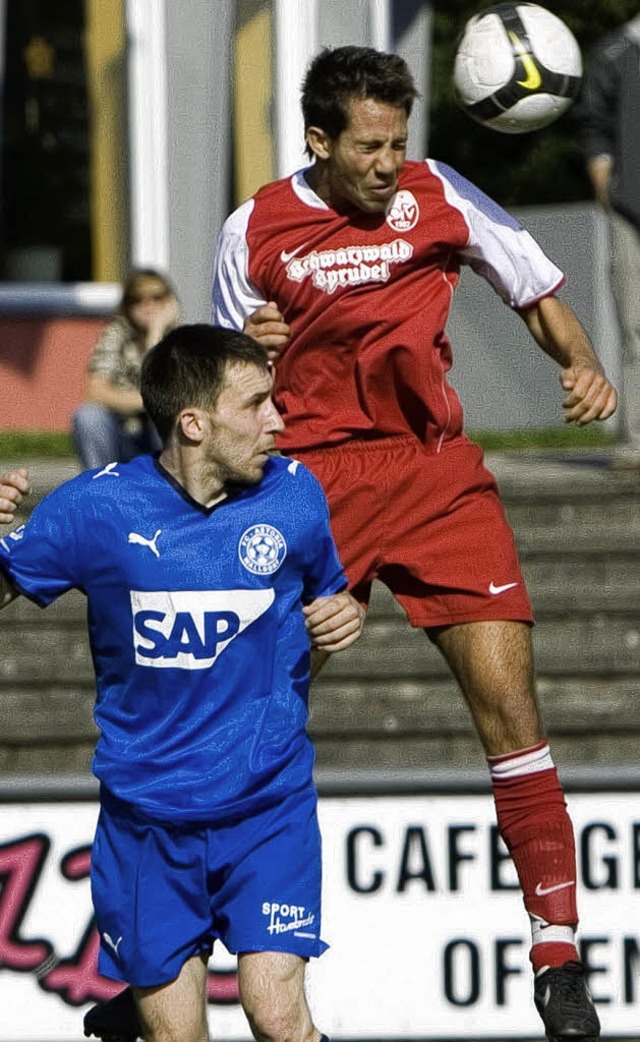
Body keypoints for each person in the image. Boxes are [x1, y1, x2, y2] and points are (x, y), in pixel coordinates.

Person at [209, 46, 617, 1042]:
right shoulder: (254, 227)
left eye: (398, 141)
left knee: (512, 707)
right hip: (308, 490)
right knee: (246, 722)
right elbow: (212, 401)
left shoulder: (440, 192)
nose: (389, 163)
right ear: (318, 142)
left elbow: (531, 284)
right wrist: (245, 357)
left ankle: (557, 952)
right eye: (368, 146)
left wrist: (581, 361)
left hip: (433, 474)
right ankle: (172, 945)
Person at [0, 325, 364, 1042]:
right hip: (147, 822)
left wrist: (346, 614)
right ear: (193, 423)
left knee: (278, 1014)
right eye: (256, 403)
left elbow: (334, 596)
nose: (278, 420)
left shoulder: (295, 497)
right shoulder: (96, 508)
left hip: (268, 806)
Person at [575, 15, 640, 468]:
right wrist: (605, 183)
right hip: (630, 211)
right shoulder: (615, 55)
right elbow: (595, 125)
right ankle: (638, 440)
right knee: (636, 326)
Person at [72, 269, 180, 470]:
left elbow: (172, 398)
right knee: (88, 415)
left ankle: (168, 489)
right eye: (137, 299)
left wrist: (155, 336)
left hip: (160, 440)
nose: (148, 306)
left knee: (169, 416)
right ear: (126, 306)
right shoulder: (116, 333)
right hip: (122, 434)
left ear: (170, 302)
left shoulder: (181, 341)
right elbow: (94, 392)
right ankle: (100, 487)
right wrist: (149, 401)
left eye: (157, 297)